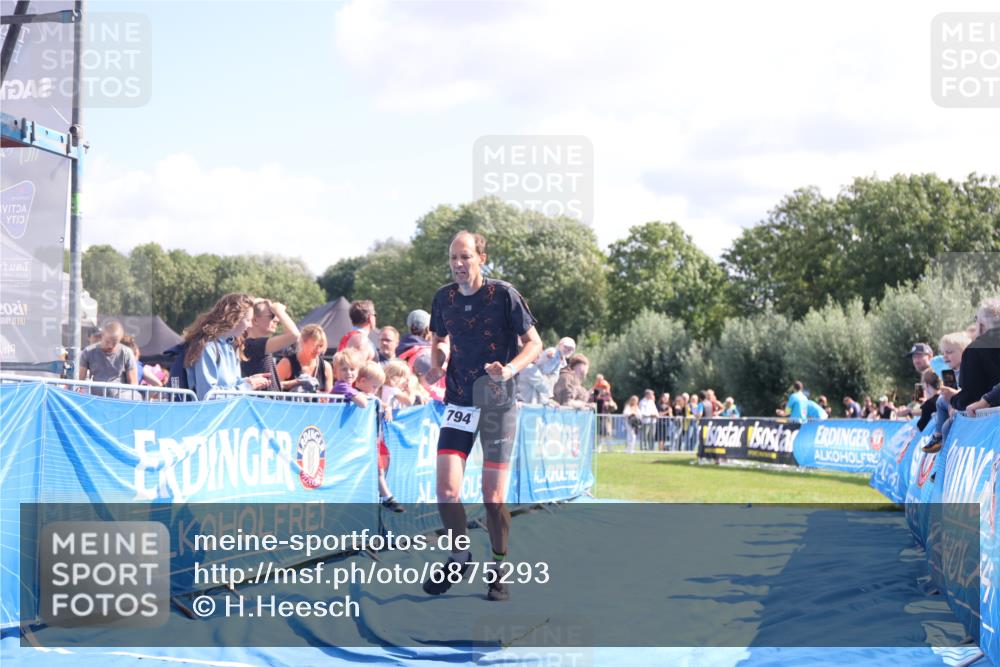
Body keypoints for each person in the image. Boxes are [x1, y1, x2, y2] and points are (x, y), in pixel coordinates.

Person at [421, 230, 542, 603]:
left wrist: (508, 370)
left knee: (492, 498)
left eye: (465, 257)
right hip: (459, 400)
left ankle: (499, 566)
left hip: (496, 404)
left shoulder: (504, 295)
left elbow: (534, 344)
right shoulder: (443, 298)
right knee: (446, 491)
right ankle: (459, 557)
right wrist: (438, 362)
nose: (458, 265)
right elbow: (439, 339)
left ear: (481, 258)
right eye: (453, 258)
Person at [182, 293, 271, 400]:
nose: (250, 325)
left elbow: (231, 385)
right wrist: (248, 386)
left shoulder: (232, 345)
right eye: (248, 320)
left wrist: (248, 381)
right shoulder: (208, 347)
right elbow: (207, 395)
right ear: (234, 318)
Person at [355, 361, 404, 513]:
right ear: (362, 381)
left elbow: (379, 402)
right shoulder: (359, 395)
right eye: (374, 386)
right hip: (364, 441)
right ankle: (387, 497)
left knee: (384, 464)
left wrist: (387, 407)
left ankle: (381, 495)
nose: (376, 391)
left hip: (375, 439)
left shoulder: (372, 398)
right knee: (378, 471)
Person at [923, 331, 972, 452]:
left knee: (946, 427)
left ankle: (942, 447)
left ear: (965, 352)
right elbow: (934, 361)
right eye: (943, 352)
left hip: (968, 407)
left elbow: (971, 393)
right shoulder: (950, 372)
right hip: (956, 405)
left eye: (949, 352)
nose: (944, 356)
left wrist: (954, 400)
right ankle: (938, 437)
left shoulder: (969, 370)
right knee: (940, 401)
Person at [242, 299, 300, 392]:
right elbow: (294, 335)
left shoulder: (254, 345)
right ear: (255, 320)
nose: (277, 319)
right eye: (272, 315)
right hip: (261, 405)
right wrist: (280, 311)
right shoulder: (252, 345)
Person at [79, 320, 138, 395]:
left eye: (114, 343)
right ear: (102, 335)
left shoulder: (126, 353)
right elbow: (79, 381)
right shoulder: (88, 352)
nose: (110, 345)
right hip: (95, 400)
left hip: (120, 400)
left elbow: (133, 383)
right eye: (107, 341)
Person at [276, 324, 333, 393]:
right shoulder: (286, 363)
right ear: (303, 342)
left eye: (321, 346)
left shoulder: (326, 367)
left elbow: (329, 396)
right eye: (314, 345)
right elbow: (272, 387)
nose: (318, 350)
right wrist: (296, 382)